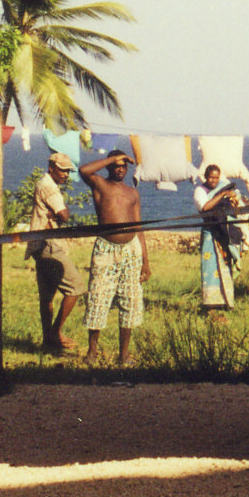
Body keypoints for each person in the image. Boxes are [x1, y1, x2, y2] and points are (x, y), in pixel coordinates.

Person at [78, 147, 150, 366]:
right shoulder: (100, 185)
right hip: (106, 249)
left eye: (123, 166)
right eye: (116, 165)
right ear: (109, 165)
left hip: (131, 250)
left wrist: (146, 261)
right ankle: (92, 352)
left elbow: (138, 226)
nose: (120, 169)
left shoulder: (132, 193)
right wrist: (113, 157)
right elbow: (84, 170)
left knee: (130, 300)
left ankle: (124, 355)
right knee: (98, 298)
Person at [29, 152, 80, 354]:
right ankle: (55, 334)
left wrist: (59, 212)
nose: (66, 174)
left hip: (38, 245)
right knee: (76, 288)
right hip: (50, 245)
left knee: (47, 296)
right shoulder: (50, 188)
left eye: (68, 171)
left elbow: (59, 213)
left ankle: (47, 340)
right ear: (52, 167)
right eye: (63, 170)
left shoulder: (43, 183)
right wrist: (62, 211)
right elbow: (65, 215)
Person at [193, 163, 242, 314]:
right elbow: (205, 208)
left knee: (225, 266)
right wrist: (221, 195)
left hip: (223, 231)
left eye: (216, 177)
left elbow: (234, 211)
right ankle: (210, 305)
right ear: (206, 177)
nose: (214, 180)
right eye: (211, 177)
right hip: (210, 232)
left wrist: (233, 201)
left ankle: (225, 302)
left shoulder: (223, 188)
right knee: (210, 267)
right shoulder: (200, 190)